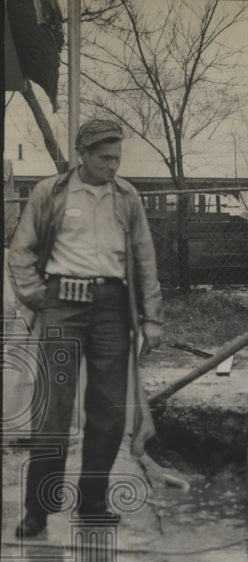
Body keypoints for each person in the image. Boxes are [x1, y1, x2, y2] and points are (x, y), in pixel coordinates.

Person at [7, 118, 164, 538]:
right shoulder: (50, 192)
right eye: (105, 158)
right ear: (83, 154)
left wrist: (152, 318)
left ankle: (93, 502)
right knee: (52, 411)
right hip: (62, 305)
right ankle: (38, 511)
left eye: (117, 158)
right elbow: (21, 252)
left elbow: (145, 260)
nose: (113, 165)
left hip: (113, 309)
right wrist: (39, 296)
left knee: (109, 412)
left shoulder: (127, 198)